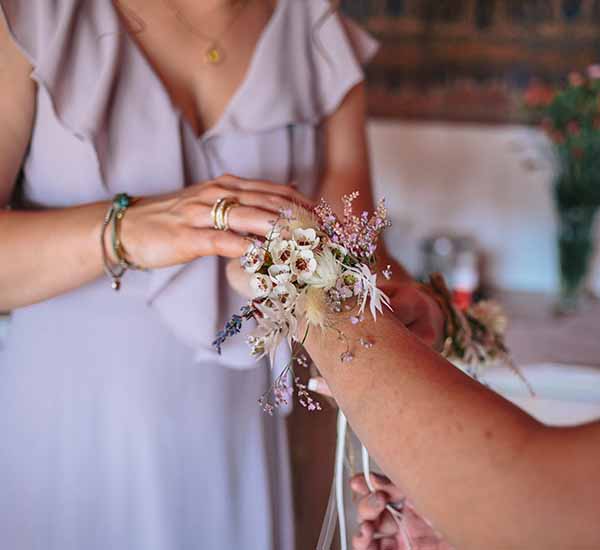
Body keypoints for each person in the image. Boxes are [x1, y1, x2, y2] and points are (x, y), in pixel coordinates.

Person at [0, 1, 442, 548]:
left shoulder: (313, 27)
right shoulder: (34, 19)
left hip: (234, 438)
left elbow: (355, 256)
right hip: (63, 430)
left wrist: (401, 311)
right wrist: (125, 229)